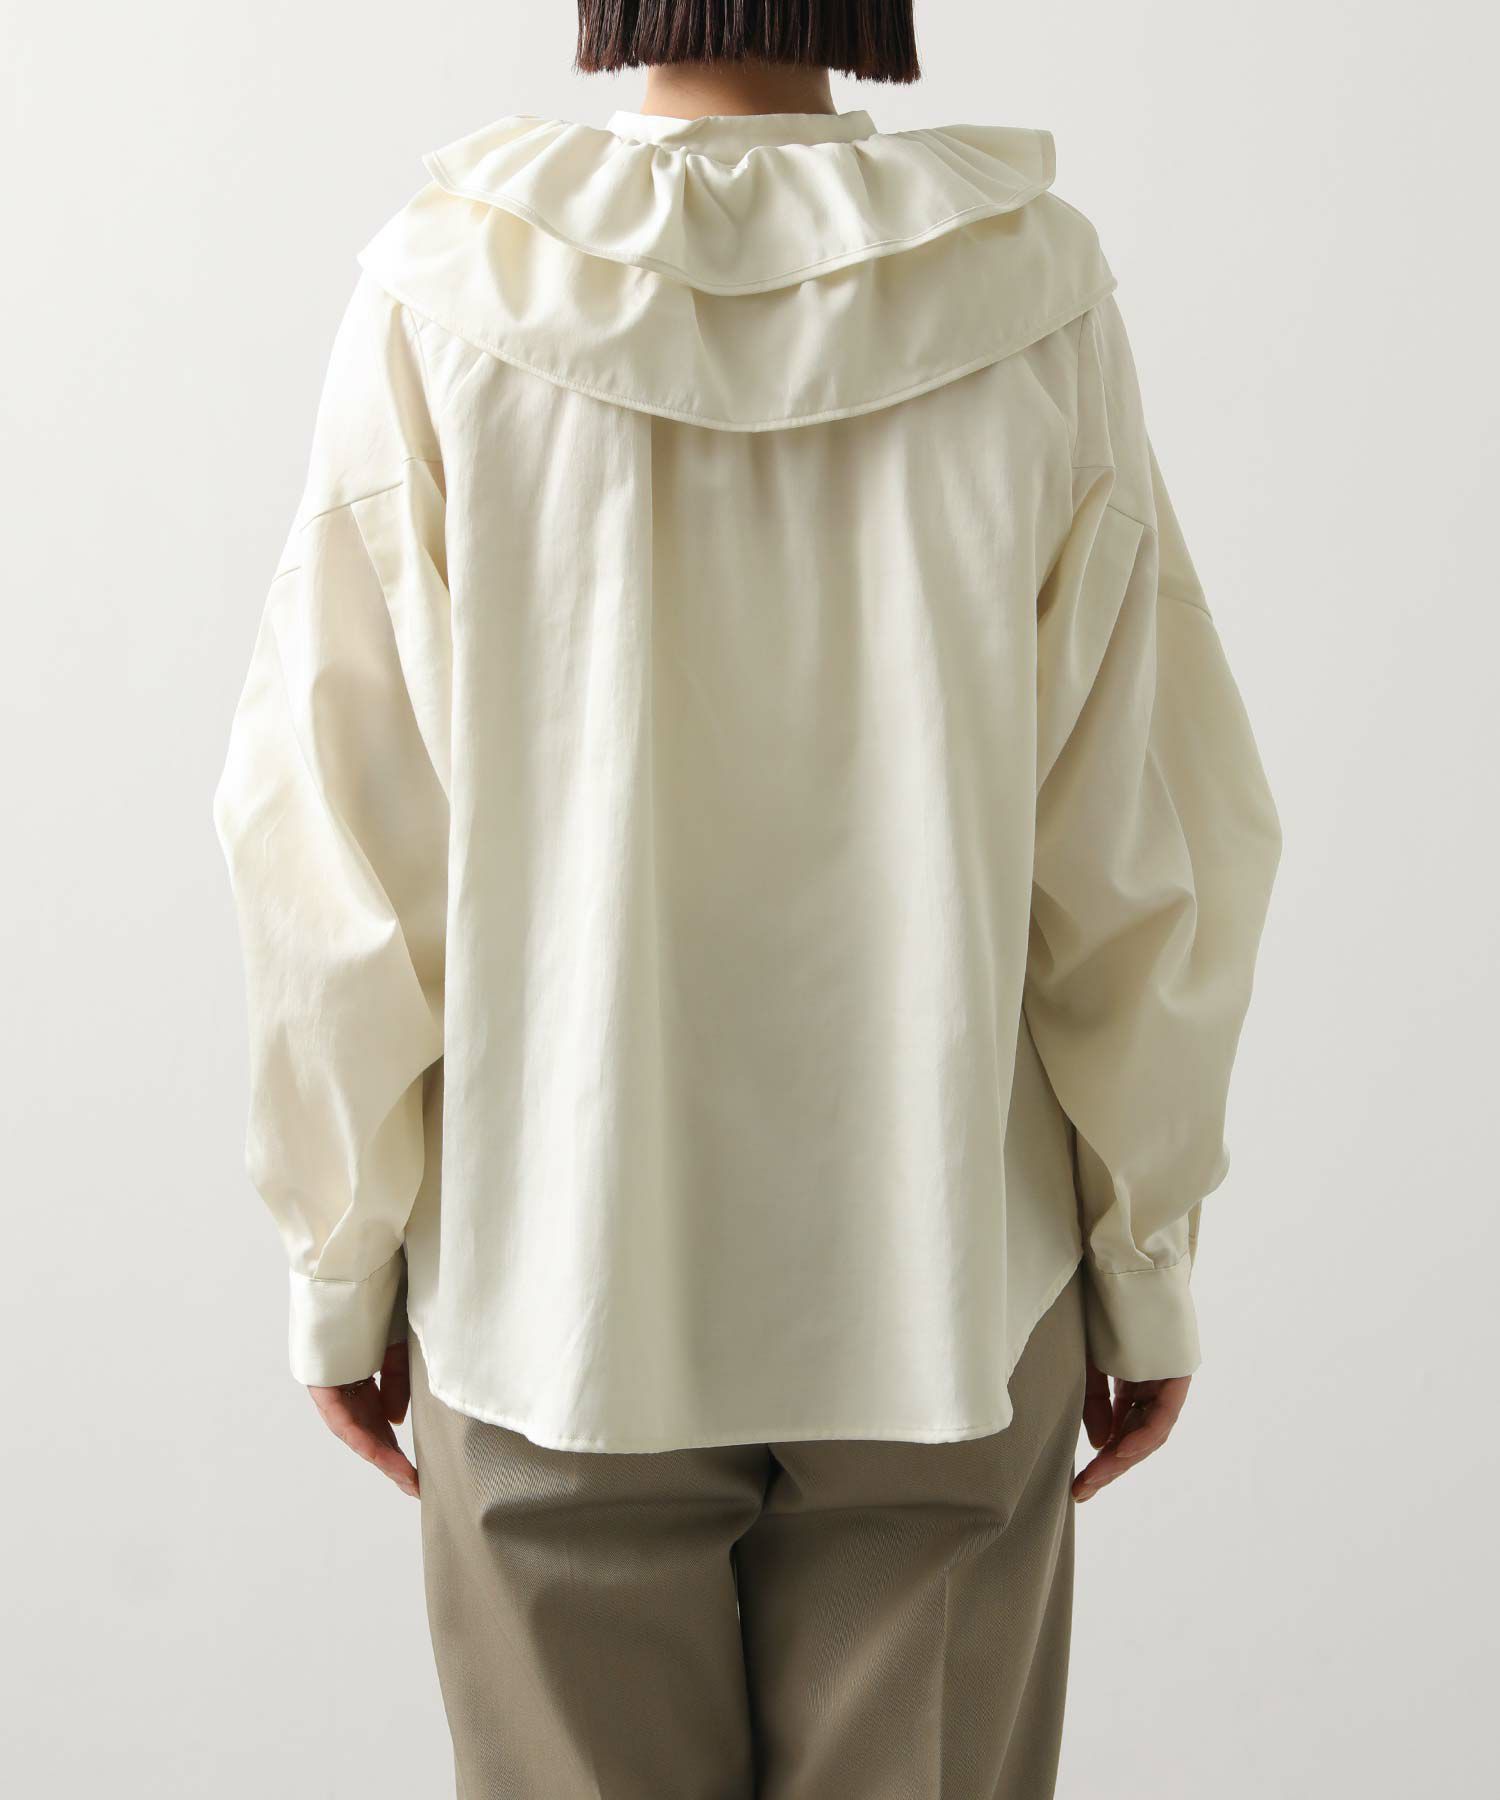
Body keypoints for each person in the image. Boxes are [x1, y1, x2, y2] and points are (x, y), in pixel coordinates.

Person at [213, 3, 1281, 1793]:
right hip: (949, 1280)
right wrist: (1145, 1256)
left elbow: (332, 844)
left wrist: (341, 1255)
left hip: (553, 1285)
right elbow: (1141, 834)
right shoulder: (1036, 296)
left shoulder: (446, 297)